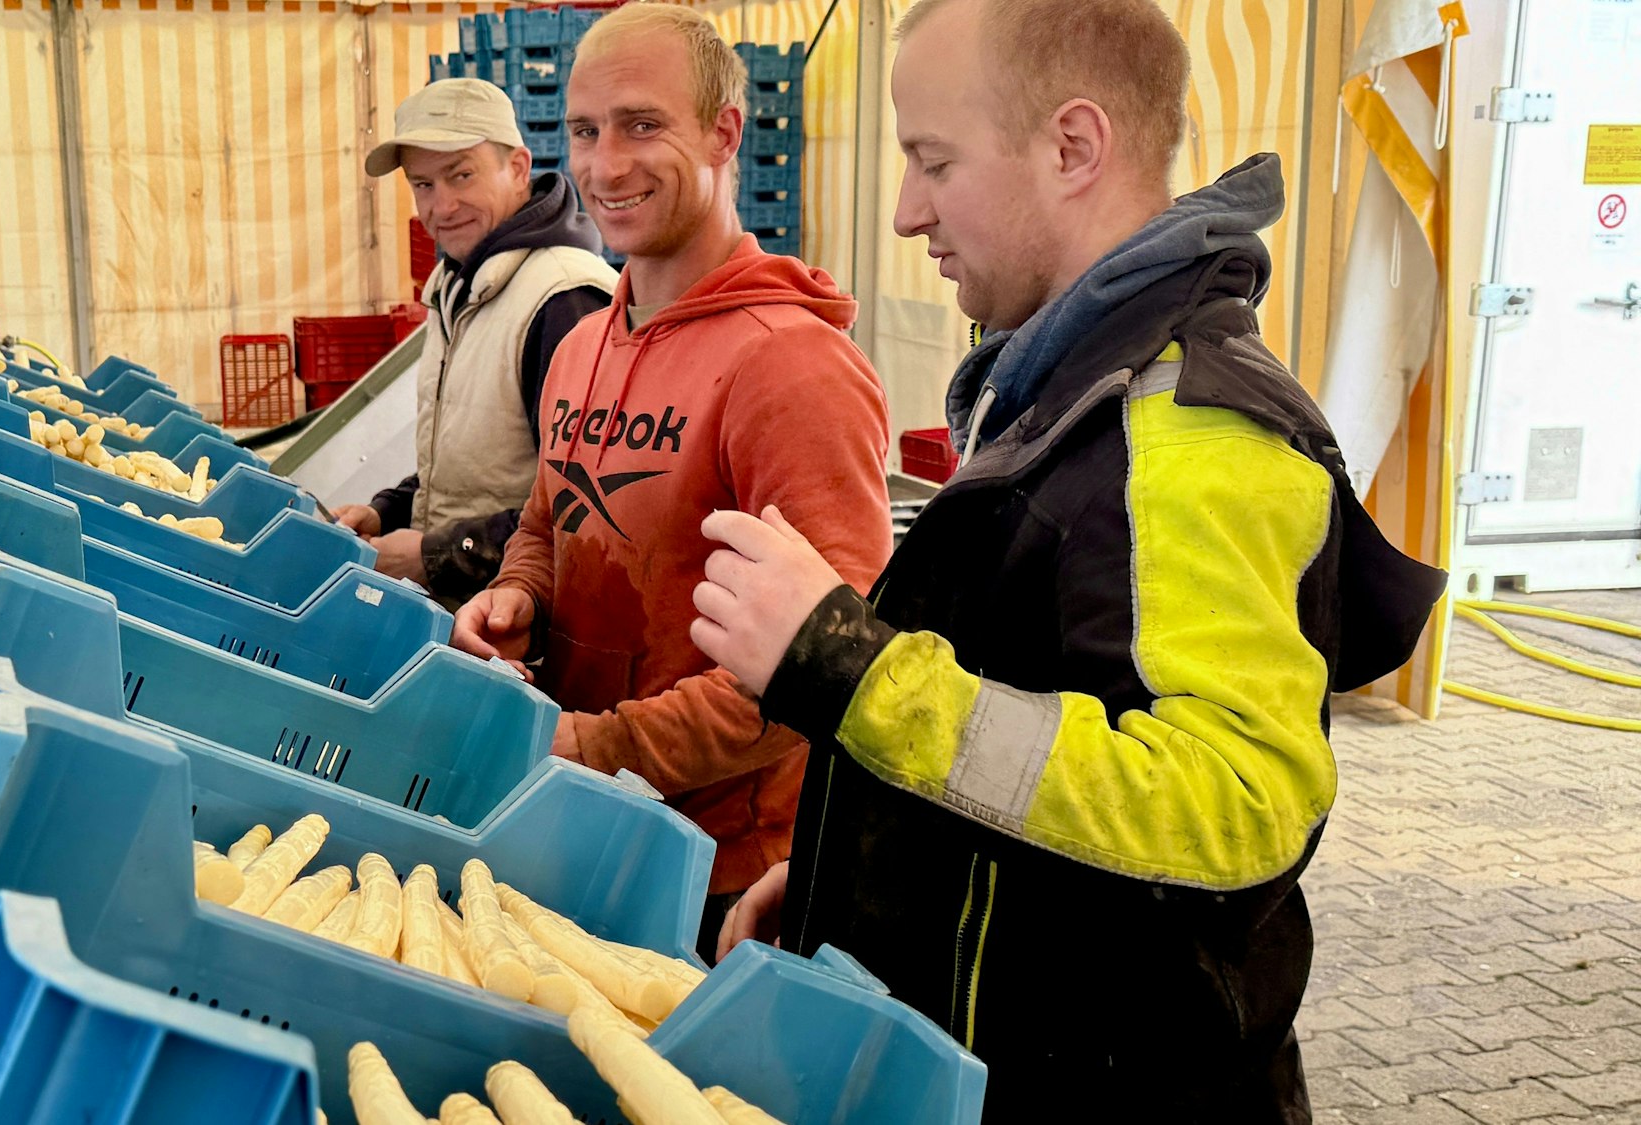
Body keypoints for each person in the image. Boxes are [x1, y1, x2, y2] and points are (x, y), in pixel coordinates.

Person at [690, 0, 1447, 1118]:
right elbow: (1048, 708)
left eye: (931, 162)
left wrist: (845, 666)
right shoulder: (1068, 384)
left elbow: (1233, 805)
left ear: (1072, 147)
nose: (904, 214)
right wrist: (860, 881)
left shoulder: (1193, 432)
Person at [448, 2, 893, 954]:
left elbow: (828, 668)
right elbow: (545, 519)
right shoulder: (579, 347)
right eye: (584, 131)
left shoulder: (793, 366)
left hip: (721, 880)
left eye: (643, 125)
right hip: (588, 827)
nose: (606, 166)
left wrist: (590, 747)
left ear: (726, 133)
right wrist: (517, 591)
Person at [338, 79, 618, 606]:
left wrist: (436, 554)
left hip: (524, 632)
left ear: (516, 166)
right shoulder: (457, 287)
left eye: (460, 175)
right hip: (462, 614)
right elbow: (472, 466)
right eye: (422, 184)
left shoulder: (563, 299)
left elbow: (587, 508)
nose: (442, 206)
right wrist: (387, 510)